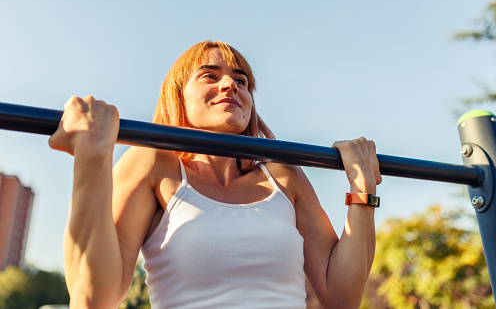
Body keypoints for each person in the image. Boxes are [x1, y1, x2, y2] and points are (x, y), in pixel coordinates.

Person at [48, 40, 382, 309]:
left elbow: (341, 298)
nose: (230, 85)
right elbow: (93, 299)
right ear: (179, 95)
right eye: (210, 75)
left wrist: (362, 187)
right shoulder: (154, 164)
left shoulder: (282, 174)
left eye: (241, 81)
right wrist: (92, 158)